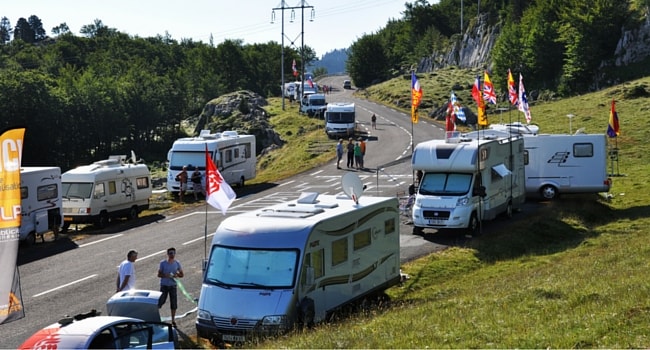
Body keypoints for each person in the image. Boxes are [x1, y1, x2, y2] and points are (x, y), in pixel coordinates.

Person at [157, 247, 184, 327]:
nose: (172, 255)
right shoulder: (163, 263)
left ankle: (173, 320)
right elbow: (159, 274)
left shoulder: (177, 263)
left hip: (173, 285)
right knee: (161, 301)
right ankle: (156, 317)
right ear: (167, 254)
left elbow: (182, 274)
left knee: (173, 303)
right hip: (164, 285)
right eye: (170, 253)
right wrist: (166, 275)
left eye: (173, 253)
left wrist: (176, 275)